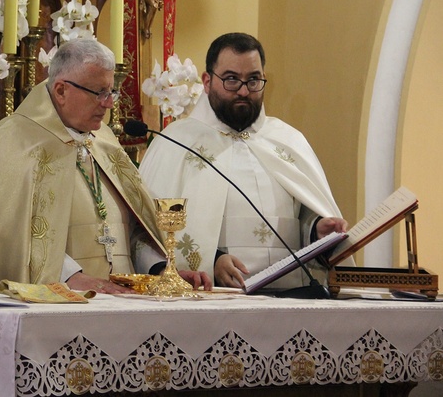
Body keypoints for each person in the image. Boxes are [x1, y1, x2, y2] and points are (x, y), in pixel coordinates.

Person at [0, 39, 211, 293]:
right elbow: (8, 237)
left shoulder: (103, 140)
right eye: (99, 93)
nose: (109, 104)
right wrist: (70, 278)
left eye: (111, 92)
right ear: (61, 90)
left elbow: (133, 230)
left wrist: (161, 271)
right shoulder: (15, 140)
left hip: (124, 303)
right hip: (60, 306)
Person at [139, 32, 348, 290]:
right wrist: (212, 262)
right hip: (215, 298)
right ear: (207, 81)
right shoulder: (175, 142)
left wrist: (316, 230)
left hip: (292, 296)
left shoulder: (287, 140)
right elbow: (147, 232)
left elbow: (303, 215)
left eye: (253, 80)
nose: (243, 91)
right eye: (231, 80)